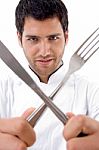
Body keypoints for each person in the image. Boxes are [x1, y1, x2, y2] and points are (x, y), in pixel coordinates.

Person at [0, 0, 99, 149]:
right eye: (33, 39)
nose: (45, 52)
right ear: (19, 39)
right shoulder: (3, 89)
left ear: (66, 37)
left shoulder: (91, 90)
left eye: (53, 38)